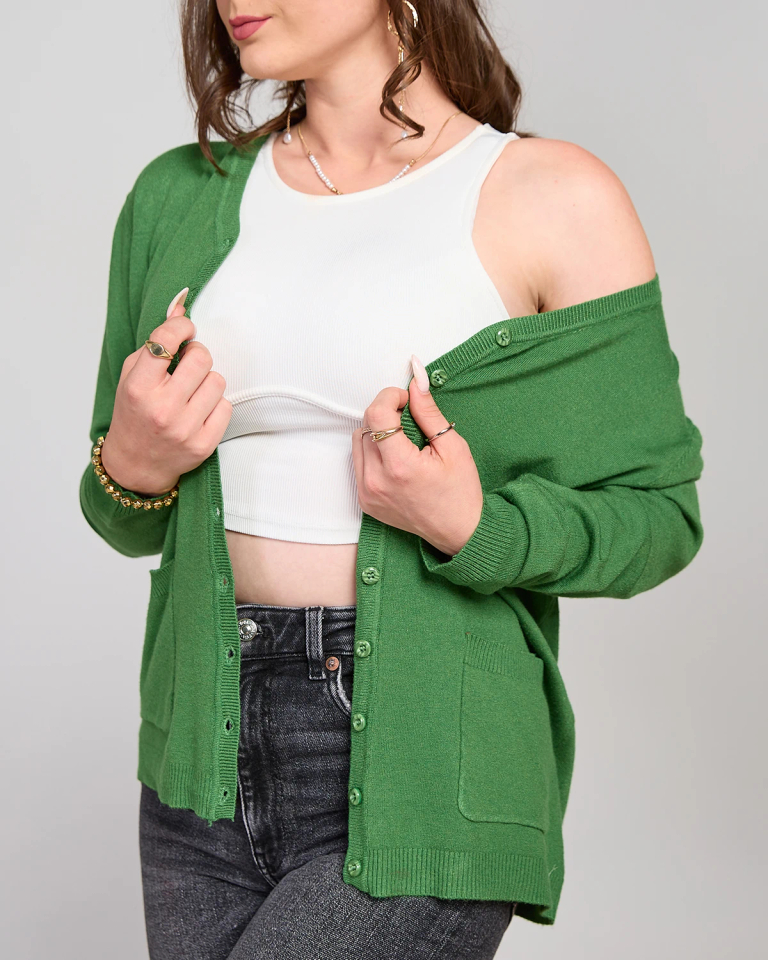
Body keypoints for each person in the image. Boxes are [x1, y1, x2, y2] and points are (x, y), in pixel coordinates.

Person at [80, 1, 705, 957]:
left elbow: (658, 516)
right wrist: (133, 461)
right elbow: (122, 513)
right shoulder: (177, 194)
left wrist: (474, 525)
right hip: (197, 756)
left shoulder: (551, 194)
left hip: (423, 766)